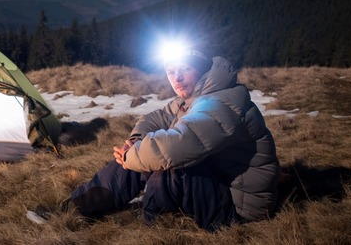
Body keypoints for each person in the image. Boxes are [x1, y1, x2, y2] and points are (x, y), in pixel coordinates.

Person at [63, 49, 279, 231]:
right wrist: (135, 141)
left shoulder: (221, 102)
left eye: (185, 68)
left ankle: (153, 224)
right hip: (216, 183)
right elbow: (157, 118)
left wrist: (132, 155)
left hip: (239, 208)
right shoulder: (192, 98)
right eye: (171, 71)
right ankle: (75, 207)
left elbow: (174, 148)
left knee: (170, 163)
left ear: (202, 68)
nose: (177, 78)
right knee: (143, 153)